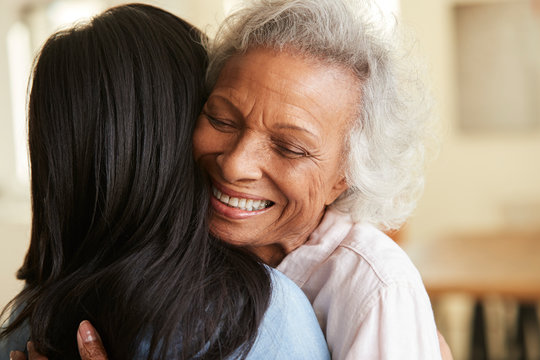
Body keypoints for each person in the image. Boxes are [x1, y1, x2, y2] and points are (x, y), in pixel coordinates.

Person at [0, 4, 330, 360]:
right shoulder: (259, 318)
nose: (235, 163)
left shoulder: (25, 325)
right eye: (220, 119)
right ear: (179, 132)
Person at [192, 0, 444, 358]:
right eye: (222, 120)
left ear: (345, 176)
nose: (235, 165)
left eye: (290, 148)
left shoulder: (374, 288)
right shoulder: (182, 236)